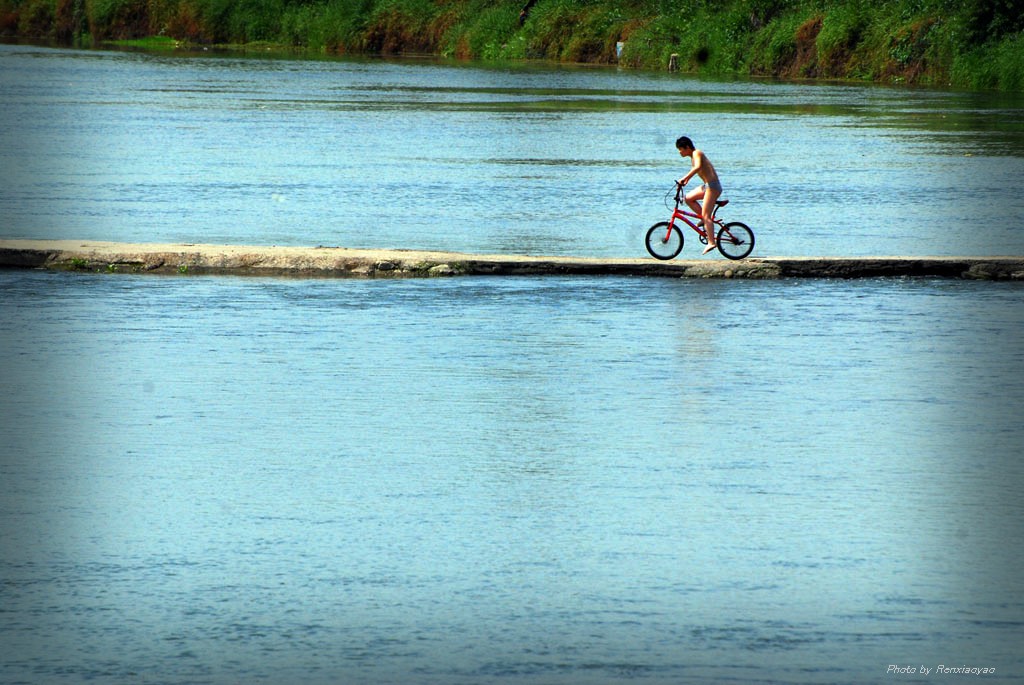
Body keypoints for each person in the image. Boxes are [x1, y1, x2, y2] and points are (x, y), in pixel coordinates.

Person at [675, 136, 723, 255]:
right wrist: (685, 182)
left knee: (706, 216)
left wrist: (684, 178)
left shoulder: (697, 153)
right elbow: (698, 170)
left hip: (713, 187)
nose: (679, 152)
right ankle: (703, 219)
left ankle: (711, 242)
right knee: (688, 198)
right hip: (707, 186)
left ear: (687, 147)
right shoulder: (693, 157)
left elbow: (697, 168)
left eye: (680, 149)